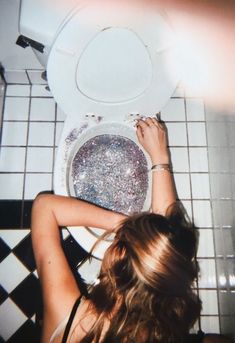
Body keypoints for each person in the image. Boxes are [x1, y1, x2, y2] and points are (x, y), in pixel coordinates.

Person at [31, 117, 231, 343]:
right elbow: (164, 248)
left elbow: (43, 206)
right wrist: (160, 158)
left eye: (119, 242)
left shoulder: (70, 319)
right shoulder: (164, 331)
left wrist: (128, 226)